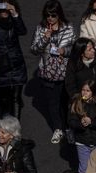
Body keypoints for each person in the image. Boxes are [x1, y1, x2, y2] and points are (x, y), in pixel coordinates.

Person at [29, 0, 75, 143]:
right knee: (52, 103)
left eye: (53, 15)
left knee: (66, 103)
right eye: (47, 15)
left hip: (65, 71)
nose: (50, 18)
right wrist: (44, 39)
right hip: (48, 72)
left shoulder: (68, 28)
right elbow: (34, 50)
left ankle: (69, 129)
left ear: (59, 15)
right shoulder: (41, 28)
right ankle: (58, 129)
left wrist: (64, 50)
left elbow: (75, 48)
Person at [0, 1, 28, 119]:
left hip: (16, 63)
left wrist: (15, 14)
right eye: (1, 8)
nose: (5, 11)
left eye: (6, 8)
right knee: (3, 99)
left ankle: (15, 128)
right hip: (0, 66)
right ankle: (6, 125)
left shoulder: (13, 19)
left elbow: (23, 31)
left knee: (15, 98)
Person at [66, 80, 96, 173]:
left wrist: (91, 122)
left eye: (88, 91)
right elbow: (71, 121)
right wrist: (80, 124)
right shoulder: (76, 104)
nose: (84, 93)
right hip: (82, 142)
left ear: (93, 92)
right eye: (83, 90)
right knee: (84, 169)